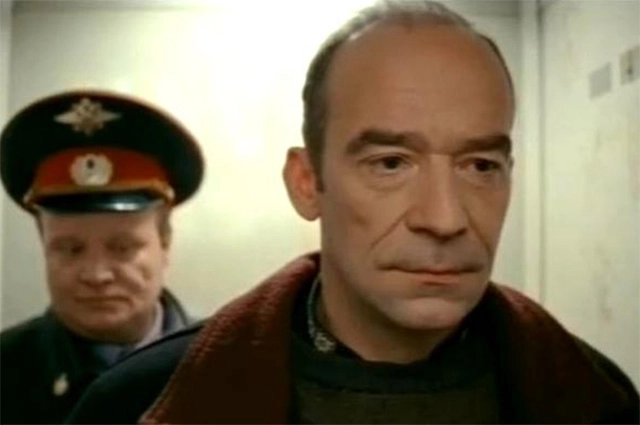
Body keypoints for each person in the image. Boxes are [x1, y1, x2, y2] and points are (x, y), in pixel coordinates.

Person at [67, 1, 639, 424]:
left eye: (480, 166)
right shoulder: (141, 404)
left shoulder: (596, 398)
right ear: (307, 183)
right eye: (390, 164)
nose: (444, 219)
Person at [0, 89, 205, 424]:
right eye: (71, 249)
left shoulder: (231, 364)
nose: (96, 275)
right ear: (43, 245)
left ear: (165, 242)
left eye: (122, 248)